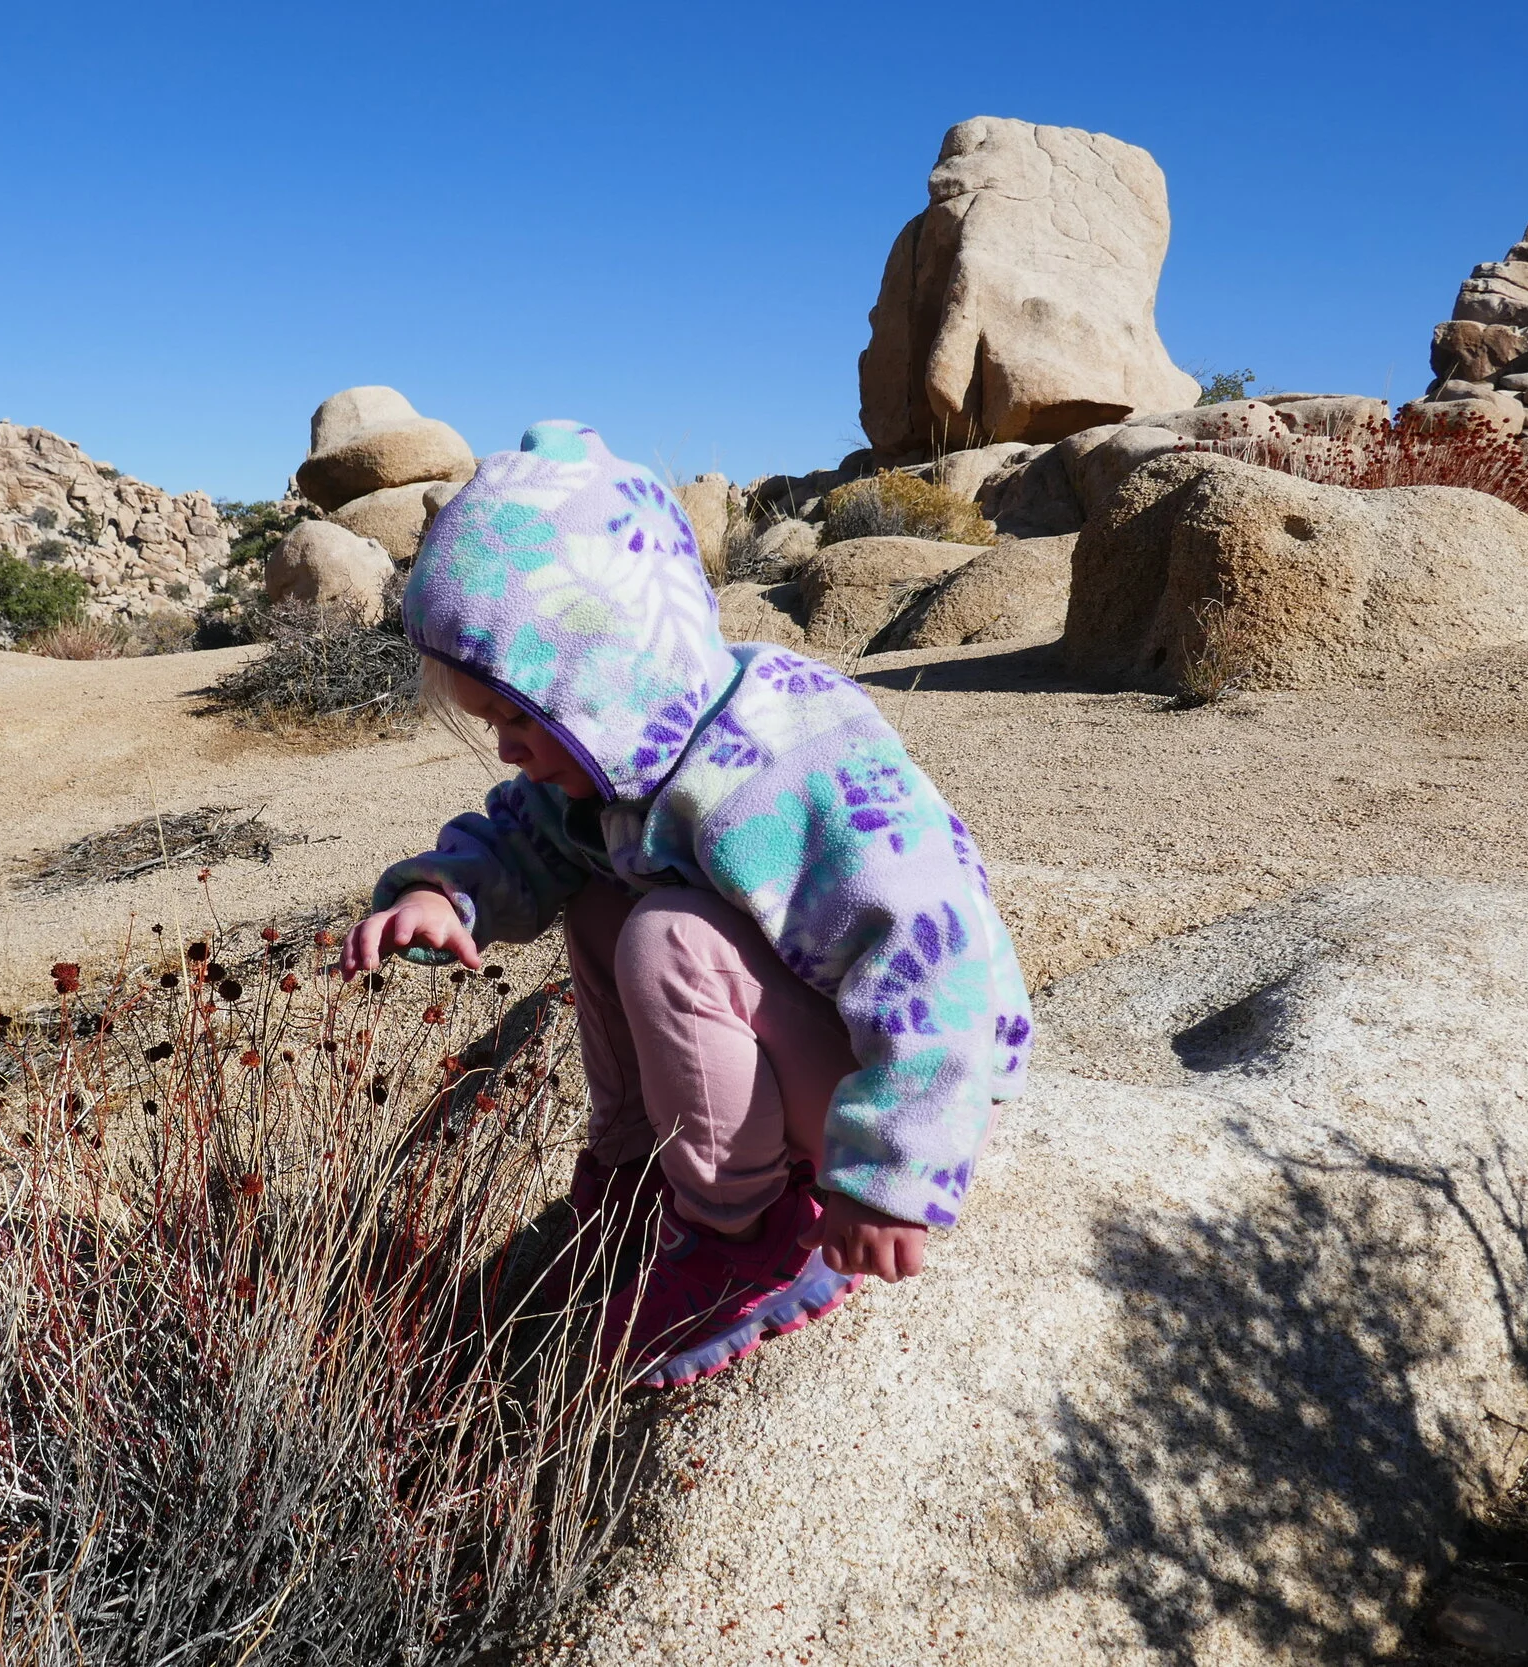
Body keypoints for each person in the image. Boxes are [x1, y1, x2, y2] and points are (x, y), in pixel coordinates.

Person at [342, 420, 1032, 1390]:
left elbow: (933, 950)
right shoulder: (623, 753)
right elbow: (523, 835)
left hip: (881, 1084)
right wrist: (440, 891)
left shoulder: (785, 761)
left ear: (597, 671)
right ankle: (638, 1175)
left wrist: (892, 1170)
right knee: (598, 904)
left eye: (513, 715)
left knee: (668, 936)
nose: (503, 746)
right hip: (798, 1047)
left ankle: (744, 1239)